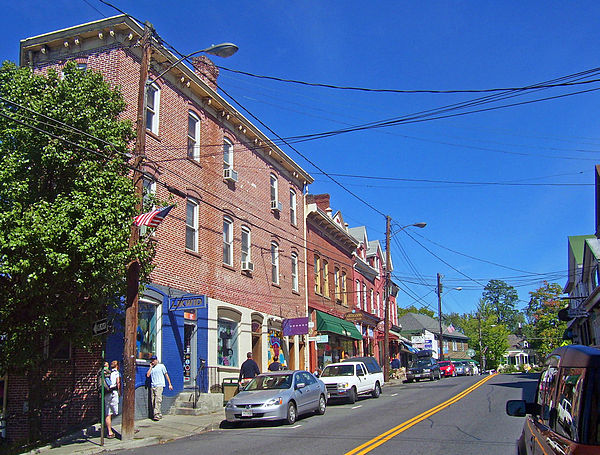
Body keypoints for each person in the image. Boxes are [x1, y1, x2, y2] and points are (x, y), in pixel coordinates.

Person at [147, 355, 173, 421]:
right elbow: (148, 375)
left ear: (156, 360)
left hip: (159, 385)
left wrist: (170, 384)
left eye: (154, 360)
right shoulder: (152, 368)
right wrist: (150, 367)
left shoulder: (161, 366)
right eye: (152, 360)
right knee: (153, 400)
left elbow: (166, 374)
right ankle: (158, 413)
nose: (153, 361)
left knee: (157, 400)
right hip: (153, 385)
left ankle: (156, 414)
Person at [105, 360, 121, 439]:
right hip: (113, 393)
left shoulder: (106, 373)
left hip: (106, 393)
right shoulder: (116, 373)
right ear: (117, 366)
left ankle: (109, 432)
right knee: (116, 411)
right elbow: (118, 383)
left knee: (108, 414)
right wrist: (119, 392)